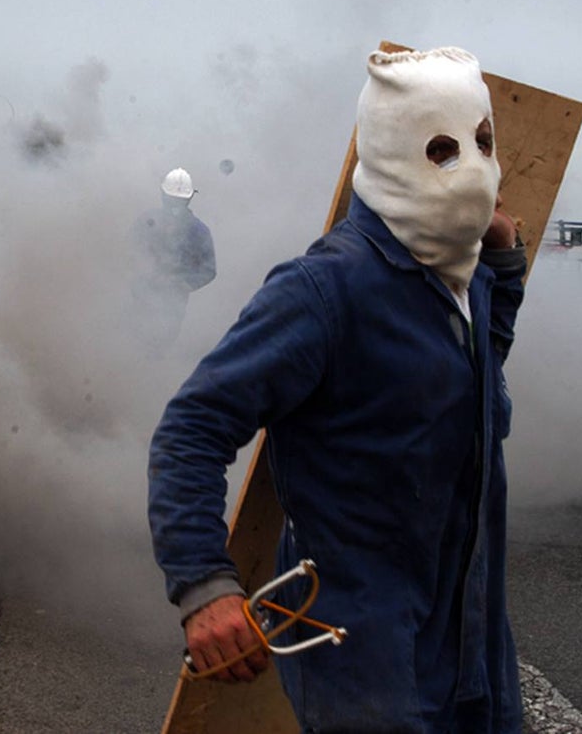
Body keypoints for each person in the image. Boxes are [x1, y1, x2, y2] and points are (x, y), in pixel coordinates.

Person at [147, 47, 526, 733]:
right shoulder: (325, 290)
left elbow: (472, 378)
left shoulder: (465, 274)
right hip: (366, 647)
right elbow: (192, 427)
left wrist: (505, 261)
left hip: (472, 636)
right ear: (390, 149)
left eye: (481, 142)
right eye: (441, 149)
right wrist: (204, 585)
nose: (470, 168)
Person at [130, 168, 216, 353]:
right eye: (171, 199)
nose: (174, 205)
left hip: (171, 304)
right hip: (138, 296)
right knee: (126, 341)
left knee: (156, 346)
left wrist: (180, 283)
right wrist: (143, 272)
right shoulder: (147, 221)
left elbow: (208, 270)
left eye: (179, 200)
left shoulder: (199, 231)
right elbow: (127, 251)